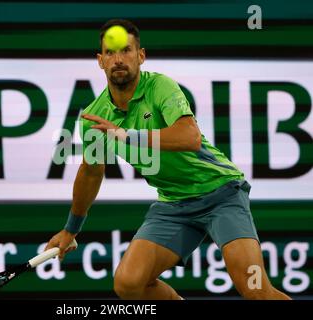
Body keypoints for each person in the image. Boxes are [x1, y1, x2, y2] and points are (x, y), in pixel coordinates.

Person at [45, 19, 291, 300]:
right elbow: (91, 172)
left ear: (141, 56)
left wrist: (128, 135)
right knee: (129, 283)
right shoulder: (94, 117)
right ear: (100, 61)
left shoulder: (160, 87)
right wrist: (70, 230)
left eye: (126, 51)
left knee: (255, 288)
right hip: (174, 204)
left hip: (221, 194)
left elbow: (189, 137)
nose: (118, 60)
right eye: (110, 53)